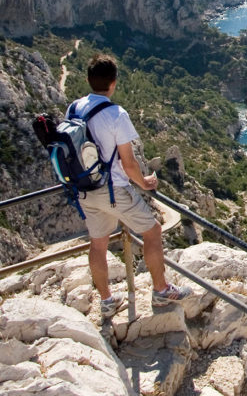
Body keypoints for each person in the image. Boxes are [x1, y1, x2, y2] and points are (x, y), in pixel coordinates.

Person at [68, 53, 192, 317]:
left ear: (89, 81)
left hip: (83, 189)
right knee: (153, 231)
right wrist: (144, 183)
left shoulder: (74, 107)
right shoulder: (116, 114)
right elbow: (129, 162)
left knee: (98, 244)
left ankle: (107, 301)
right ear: (113, 83)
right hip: (112, 190)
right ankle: (161, 291)